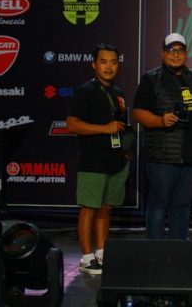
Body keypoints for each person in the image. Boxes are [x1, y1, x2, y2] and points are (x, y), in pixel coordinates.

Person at [133, 33, 192, 240]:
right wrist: (160, 120)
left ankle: (179, 249)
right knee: (159, 205)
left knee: (182, 205)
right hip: (162, 157)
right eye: (171, 50)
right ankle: (155, 251)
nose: (176, 55)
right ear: (163, 53)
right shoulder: (151, 79)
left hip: (190, 156)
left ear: (186, 53)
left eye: (180, 50)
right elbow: (138, 113)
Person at [66, 43, 130, 275]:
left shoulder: (119, 93)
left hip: (115, 161)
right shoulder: (85, 91)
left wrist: (125, 148)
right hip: (93, 162)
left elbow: (120, 126)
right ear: (94, 64)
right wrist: (105, 128)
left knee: (105, 209)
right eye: (103, 62)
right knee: (89, 209)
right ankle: (86, 258)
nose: (109, 67)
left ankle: (101, 253)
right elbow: (72, 124)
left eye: (113, 62)